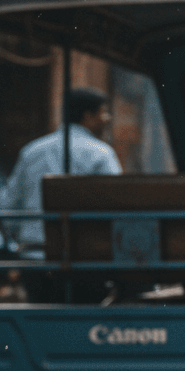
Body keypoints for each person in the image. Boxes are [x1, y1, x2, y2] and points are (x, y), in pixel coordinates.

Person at [0, 87, 121, 255]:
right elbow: (116, 205)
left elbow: (8, 205)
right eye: (104, 112)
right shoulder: (101, 154)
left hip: (33, 255)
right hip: (83, 258)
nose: (108, 119)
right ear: (88, 116)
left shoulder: (31, 151)